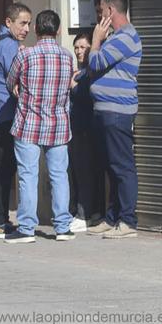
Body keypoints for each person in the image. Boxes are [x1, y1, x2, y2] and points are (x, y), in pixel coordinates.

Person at [3, 10, 74, 243]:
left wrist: (19, 88)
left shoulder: (25, 56)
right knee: (59, 176)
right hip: (58, 125)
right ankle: (63, 227)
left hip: (28, 124)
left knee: (28, 176)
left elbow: (9, 82)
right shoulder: (67, 56)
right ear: (59, 30)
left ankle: (26, 228)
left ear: (36, 30)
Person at [87, 0, 142, 239]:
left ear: (110, 10)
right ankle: (112, 218)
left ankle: (128, 221)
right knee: (111, 167)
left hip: (117, 112)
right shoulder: (116, 38)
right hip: (104, 110)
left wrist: (96, 40)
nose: (99, 16)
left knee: (122, 167)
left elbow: (96, 63)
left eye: (101, 11)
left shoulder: (126, 37)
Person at [0, 3, 32, 238]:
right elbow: (19, 79)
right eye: (22, 23)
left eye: (29, 23)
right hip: (5, 114)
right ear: (8, 22)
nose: (27, 28)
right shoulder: (8, 46)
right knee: (4, 168)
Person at [68, 33, 103, 232]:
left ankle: (85, 214)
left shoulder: (90, 73)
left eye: (83, 47)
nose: (79, 51)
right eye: (77, 47)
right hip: (77, 129)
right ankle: (89, 212)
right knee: (80, 172)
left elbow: (87, 96)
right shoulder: (79, 72)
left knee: (85, 173)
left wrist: (74, 86)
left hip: (86, 129)